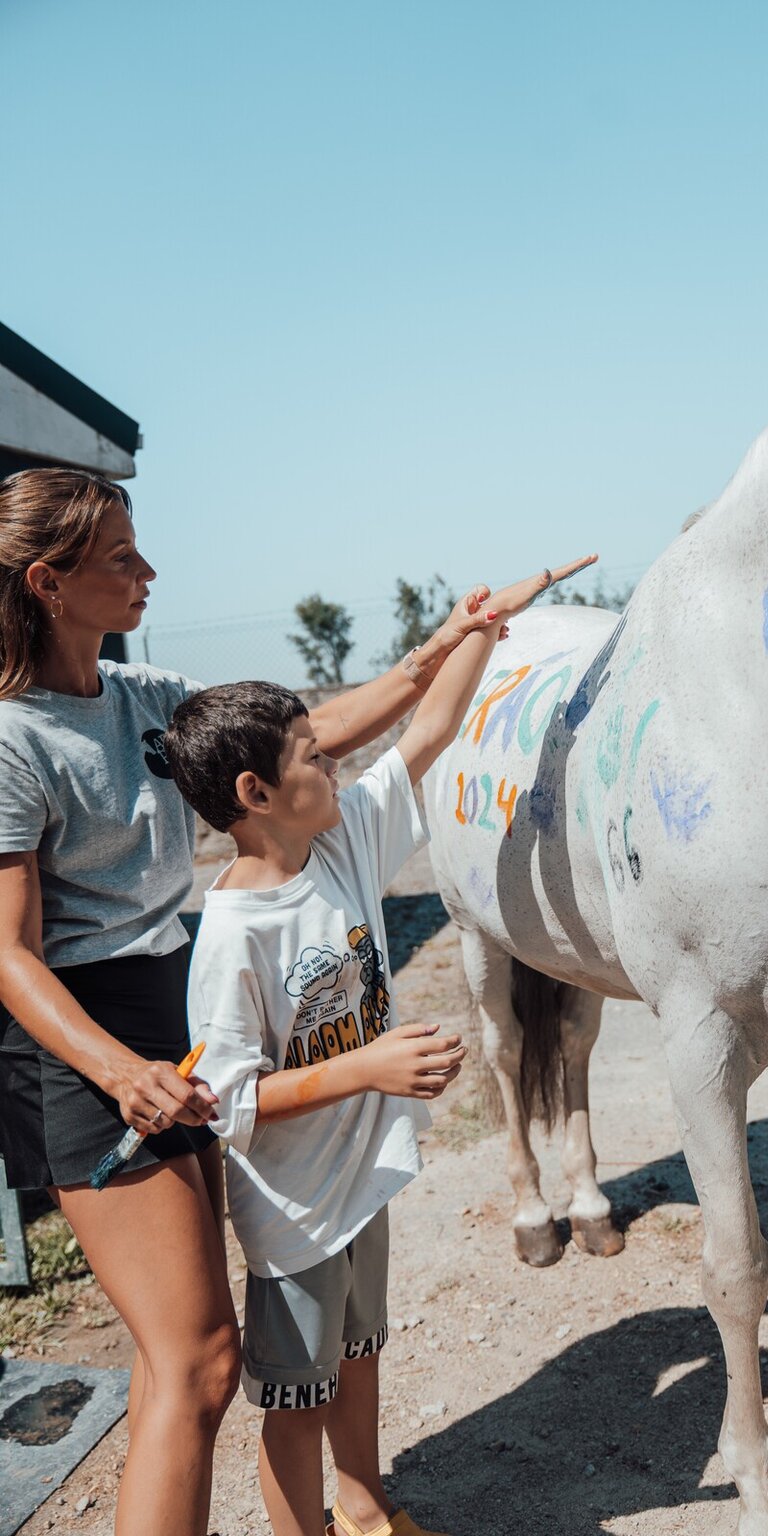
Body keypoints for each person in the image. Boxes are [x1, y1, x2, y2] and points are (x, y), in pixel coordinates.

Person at [0, 465, 557, 1536]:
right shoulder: (13, 744)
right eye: (121, 558)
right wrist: (118, 1072)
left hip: (171, 1011)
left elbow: (320, 726)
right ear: (49, 584)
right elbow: (10, 957)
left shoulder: (144, 698)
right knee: (201, 1361)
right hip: (78, 1047)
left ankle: (355, 1505)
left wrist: (443, 646)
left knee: (242, 1342)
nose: (147, 571)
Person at [162, 550, 593, 1536]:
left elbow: (432, 726)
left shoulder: (344, 833)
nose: (338, 763)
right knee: (295, 1406)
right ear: (255, 791)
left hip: (358, 1184)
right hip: (295, 1214)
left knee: (361, 1358)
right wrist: (368, 1068)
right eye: (313, 755)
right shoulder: (232, 934)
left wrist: (481, 627)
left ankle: (365, 1508)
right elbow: (226, 1099)